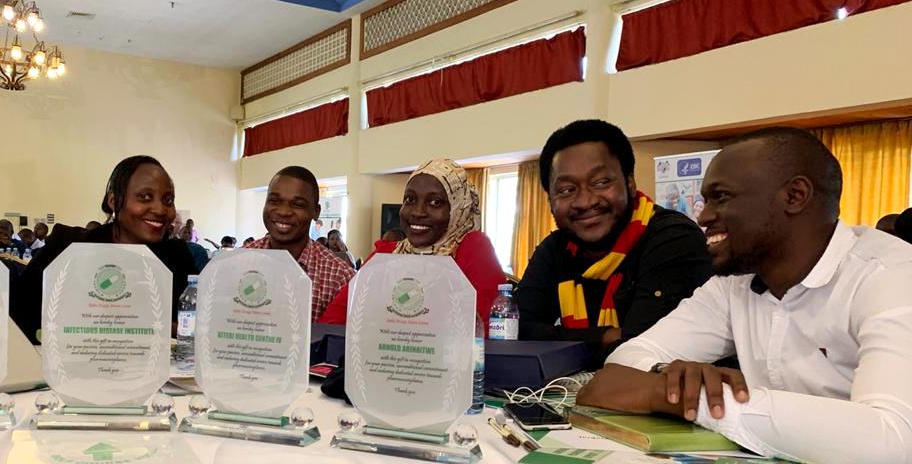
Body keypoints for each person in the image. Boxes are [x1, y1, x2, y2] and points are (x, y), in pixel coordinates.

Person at [576, 127, 912, 464]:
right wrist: (672, 374)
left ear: (794, 196)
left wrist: (697, 399)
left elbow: (890, 447)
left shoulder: (891, 277)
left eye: (721, 197)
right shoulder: (733, 285)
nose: (701, 216)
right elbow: (619, 367)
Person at [514, 120, 712, 365]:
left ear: (629, 183)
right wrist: (605, 335)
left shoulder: (672, 238)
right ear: (550, 200)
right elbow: (516, 332)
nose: (585, 201)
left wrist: (563, 342)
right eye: (566, 189)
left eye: (600, 183)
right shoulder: (555, 248)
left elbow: (642, 350)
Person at [10, 156, 200, 343]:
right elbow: (21, 314)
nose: (160, 209)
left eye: (168, 200)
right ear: (114, 200)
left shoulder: (177, 256)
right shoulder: (69, 246)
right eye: (145, 197)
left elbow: (198, 327)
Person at [320, 158, 506, 331]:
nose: (418, 212)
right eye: (410, 199)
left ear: (458, 208)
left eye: (435, 202)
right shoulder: (387, 253)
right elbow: (334, 319)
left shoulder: (472, 249)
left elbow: (491, 334)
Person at [245, 166, 354, 323]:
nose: (283, 212)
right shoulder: (239, 263)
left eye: (297, 204)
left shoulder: (340, 278)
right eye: (274, 201)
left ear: (315, 212)